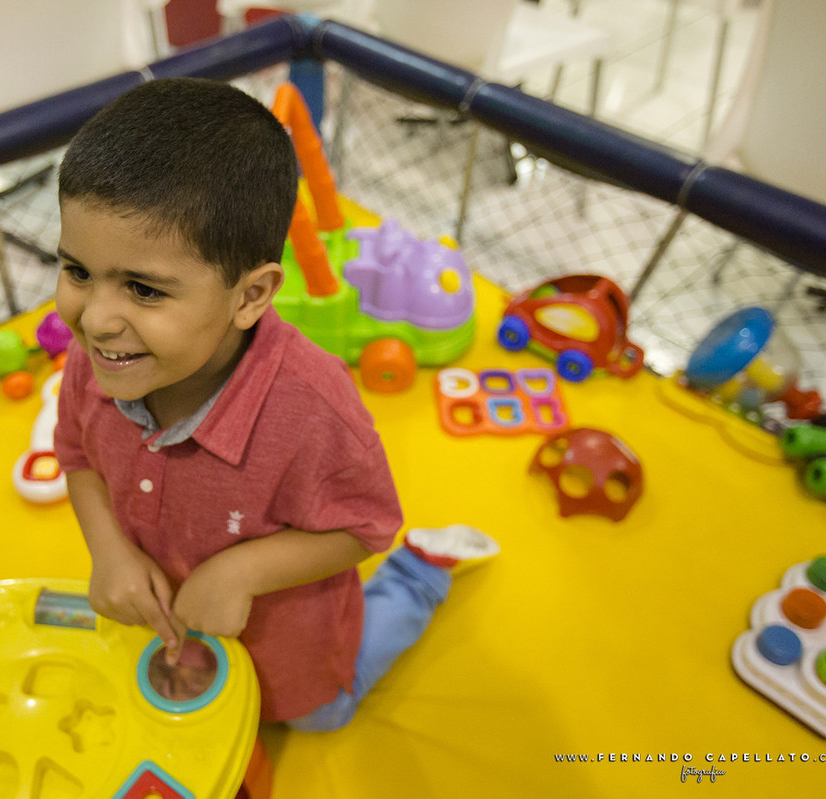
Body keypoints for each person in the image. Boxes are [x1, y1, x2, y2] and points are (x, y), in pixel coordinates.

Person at [53, 77, 497, 731]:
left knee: (323, 716)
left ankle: (423, 574)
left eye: (144, 290)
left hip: (293, 647)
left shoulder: (314, 406)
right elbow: (76, 454)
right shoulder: (100, 358)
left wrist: (242, 570)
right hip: (172, 625)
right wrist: (109, 552)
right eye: (77, 271)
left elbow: (366, 525)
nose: (95, 317)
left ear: (251, 295)